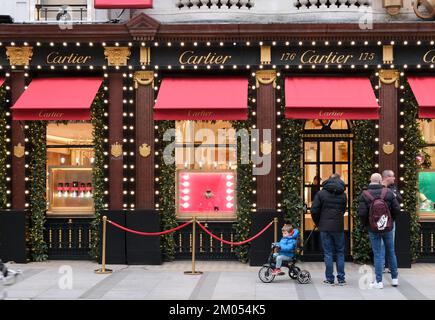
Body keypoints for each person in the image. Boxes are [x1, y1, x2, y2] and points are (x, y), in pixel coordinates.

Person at [358, 173, 401, 289]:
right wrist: (389, 221)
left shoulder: (364, 194)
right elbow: (397, 209)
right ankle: (395, 279)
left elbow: (361, 213)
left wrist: (366, 224)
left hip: (373, 229)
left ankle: (379, 282)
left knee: (377, 254)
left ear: (370, 180)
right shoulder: (388, 192)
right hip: (387, 227)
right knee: (391, 252)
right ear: (380, 180)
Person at [311, 173, 347, 285]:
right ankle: (341, 279)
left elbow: (314, 210)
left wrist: (318, 222)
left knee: (328, 253)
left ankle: (330, 279)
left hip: (325, 226)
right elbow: (343, 209)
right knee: (340, 252)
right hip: (338, 226)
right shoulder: (343, 194)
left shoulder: (321, 193)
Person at [381, 170, 402, 273]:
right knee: (381, 245)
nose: (394, 178)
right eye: (392, 177)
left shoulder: (393, 188)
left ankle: (390, 267)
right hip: (380, 220)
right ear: (387, 177)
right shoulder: (379, 188)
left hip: (390, 220)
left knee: (389, 245)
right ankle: (382, 266)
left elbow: (399, 199)